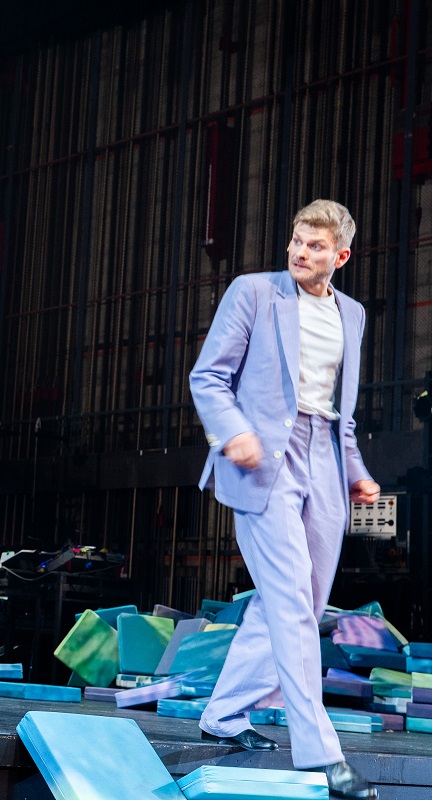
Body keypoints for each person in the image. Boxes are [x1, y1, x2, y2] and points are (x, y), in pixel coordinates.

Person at [189, 200, 380, 800]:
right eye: (296, 240)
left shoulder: (353, 314)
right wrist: (233, 431)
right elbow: (208, 377)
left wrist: (355, 472)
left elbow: (342, 413)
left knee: (298, 602)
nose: (300, 252)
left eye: (315, 246)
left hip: (325, 461)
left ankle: (224, 712)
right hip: (263, 460)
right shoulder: (253, 293)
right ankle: (323, 754)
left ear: (340, 256)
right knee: (292, 600)